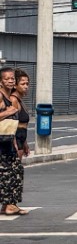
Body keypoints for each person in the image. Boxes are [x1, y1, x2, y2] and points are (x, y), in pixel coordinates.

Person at [0, 67, 27, 216]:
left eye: (12, 78)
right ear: (0, 81)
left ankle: (7, 205)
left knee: (9, 172)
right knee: (13, 172)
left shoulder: (8, 96)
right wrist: (7, 112)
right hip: (2, 142)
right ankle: (11, 205)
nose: (10, 81)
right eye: (7, 79)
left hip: (7, 140)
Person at [10, 69, 30, 161]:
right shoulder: (13, 100)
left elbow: (22, 125)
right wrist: (15, 144)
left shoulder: (20, 100)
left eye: (27, 84)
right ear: (15, 85)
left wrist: (25, 143)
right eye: (22, 84)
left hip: (21, 138)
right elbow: (11, 124)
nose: (26, 86)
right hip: (16, 140)